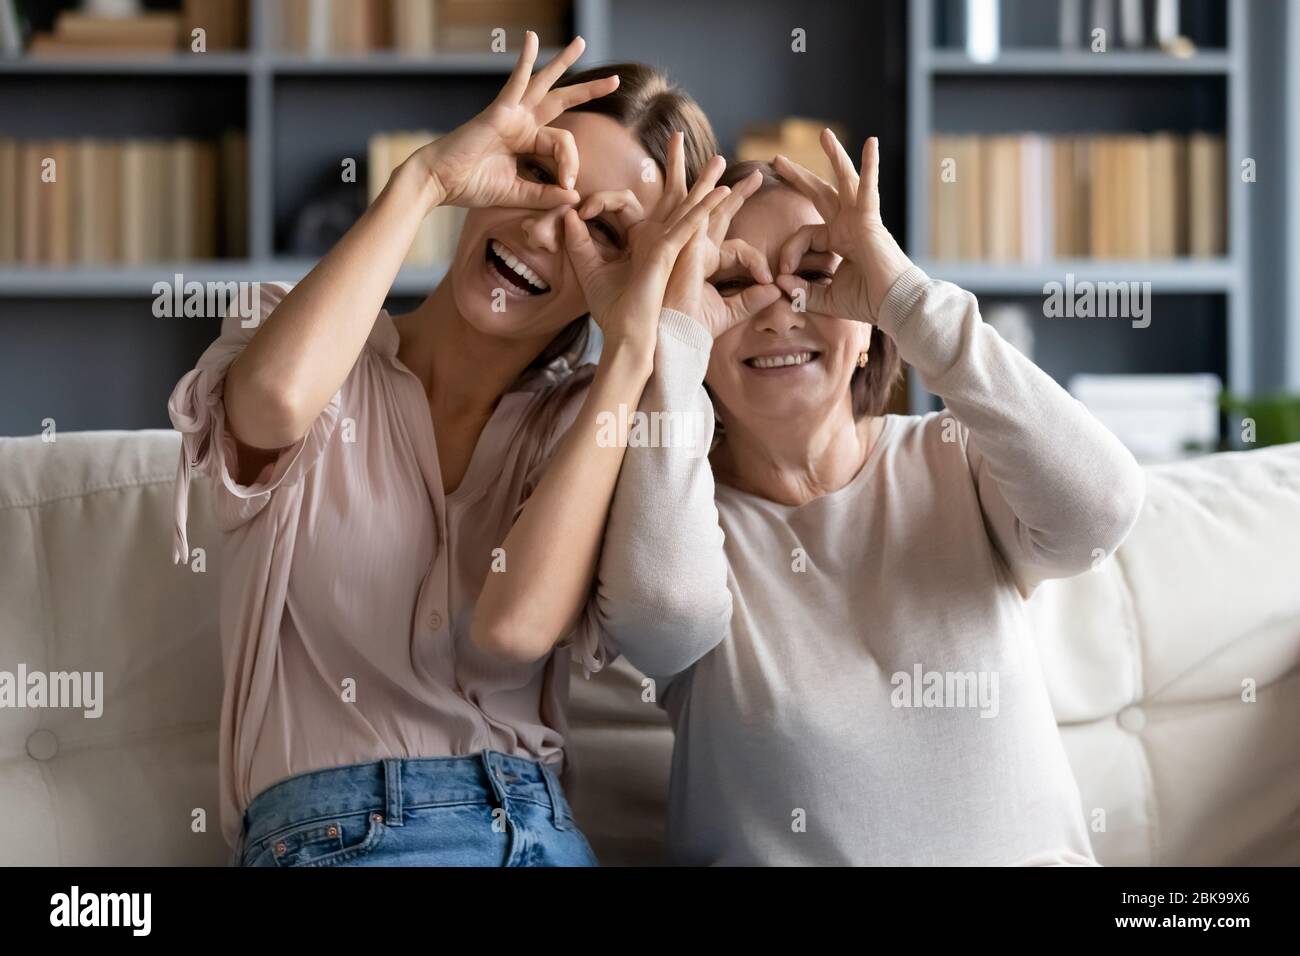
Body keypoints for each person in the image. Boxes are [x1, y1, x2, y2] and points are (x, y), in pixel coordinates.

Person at [167, 32, 724, 866]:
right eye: (539, 176)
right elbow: (274, 404)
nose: (544, 231)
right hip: (335, 834)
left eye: (605, 234)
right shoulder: (306, 344)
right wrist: (425, 179)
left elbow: (510, 631)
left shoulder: (592, 426)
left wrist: (636, 353)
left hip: (537, 830)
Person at [549, 131, 1147, 865]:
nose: (778, 312)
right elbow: (664, 620)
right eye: (732, 285)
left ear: (868, 333)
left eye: (812, 272)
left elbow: (1103, 510)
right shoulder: (677, 516)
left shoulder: (953, 460)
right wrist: (672, 338)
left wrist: (905, 296)